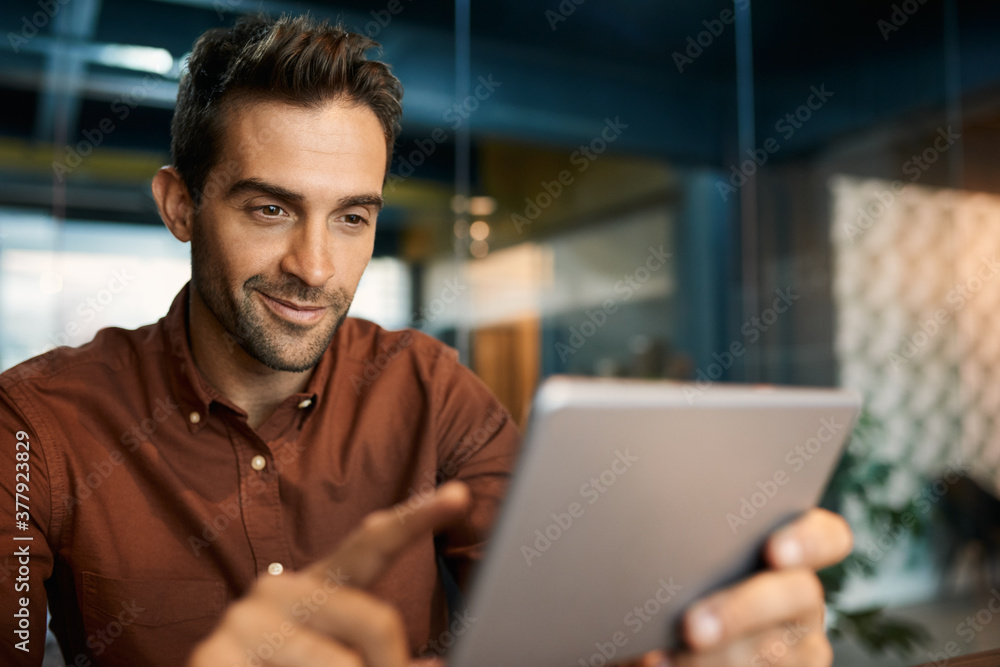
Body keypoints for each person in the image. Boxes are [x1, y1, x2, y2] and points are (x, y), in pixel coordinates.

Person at [0, 14, 852, 667]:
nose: (315, 267)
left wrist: (697, 632)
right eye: (269, 208)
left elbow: (562, 634)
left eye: (353, 217)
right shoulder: (39, 424)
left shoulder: (430, 388)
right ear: (180, 204)